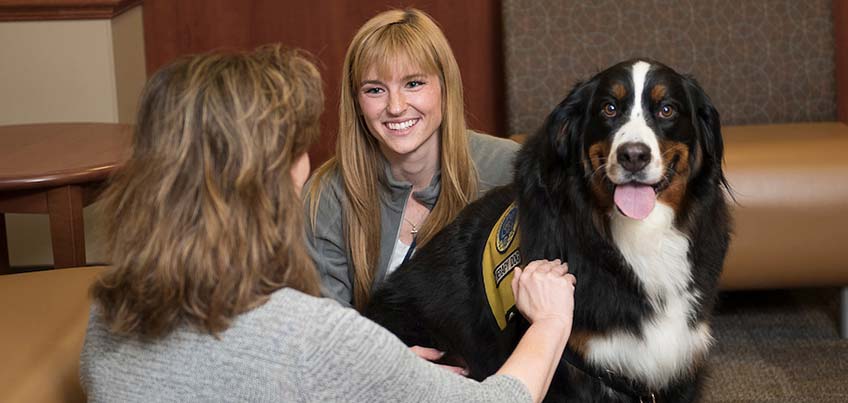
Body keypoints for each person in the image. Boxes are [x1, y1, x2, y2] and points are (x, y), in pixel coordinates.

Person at [79, 45, 576, 402]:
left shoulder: (108, 314)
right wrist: (551, 320)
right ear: (276, 176)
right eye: (299, 148)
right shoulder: (311, 337)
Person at [305, 8, 520, 311]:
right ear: (356, 102)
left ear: (445, 87)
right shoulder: (326, 195)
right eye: (375, 89)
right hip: (369, 358)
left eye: (413, 84)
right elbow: (323, 330)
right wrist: (392, 358)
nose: (395, 107)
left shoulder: (510, 169)